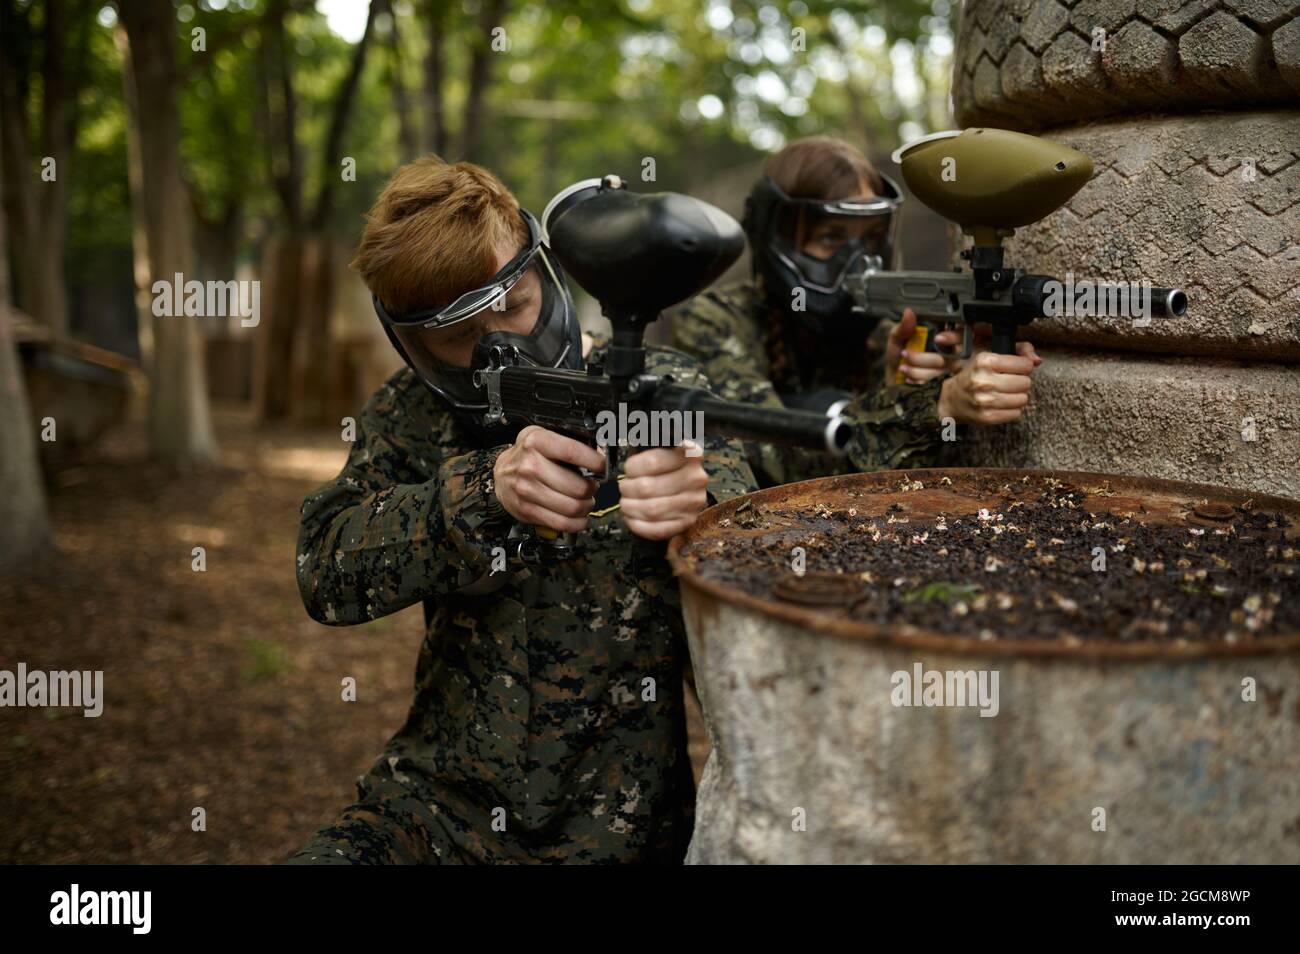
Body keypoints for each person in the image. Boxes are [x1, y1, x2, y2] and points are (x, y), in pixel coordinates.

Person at [285, 157, 755, 864]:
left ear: (546, 273)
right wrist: (481, 490)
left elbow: (759, 556)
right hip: (435, 812)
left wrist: (700, 510)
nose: (500, 344)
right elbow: (323, 569)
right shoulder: (409, 413)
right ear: (412, 345)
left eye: (512, 304)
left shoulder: (662, 390)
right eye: (458, 337)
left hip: (623, 832)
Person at [671, 135, 1041, 488]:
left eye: (871, 239)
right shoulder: (714, 321)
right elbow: (775, 461)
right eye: (831, 237)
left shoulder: (885, 332)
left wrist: (915, 385)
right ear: (776, 238)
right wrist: (937, 402)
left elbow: (902, 485)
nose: (859, 261)